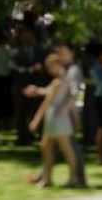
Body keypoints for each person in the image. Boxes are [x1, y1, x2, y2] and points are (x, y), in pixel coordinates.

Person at [24, 46, 80, 188]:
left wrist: (35, 121)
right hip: (55, 117)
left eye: (50, 66)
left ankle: (72, 178)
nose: (48, 70)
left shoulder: (59, 81)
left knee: (66, 148)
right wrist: (36, 90)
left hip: (58, 118)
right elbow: (48, 92)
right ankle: (47, 178)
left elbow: (46, 102)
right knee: (46, 146)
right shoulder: (60, 79)